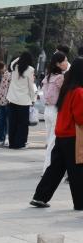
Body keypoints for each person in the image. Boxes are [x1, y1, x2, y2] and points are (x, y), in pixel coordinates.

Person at [30, 57, 83, 210]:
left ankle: (39, 197)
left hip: (61, 133)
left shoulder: (67, 89)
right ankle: (80, 203)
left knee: (55, 169)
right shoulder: (79, 92)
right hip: (73, 135)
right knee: (77, 170)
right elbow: (80, 117)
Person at [41, 51, 68, 173]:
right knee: (53, 141)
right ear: (58, 63)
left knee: (49, 140)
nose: (67, 63)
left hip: (47, 110)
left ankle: (48, 166)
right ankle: (47, 169)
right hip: (56, 111)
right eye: (65, 61)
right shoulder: (60, 77)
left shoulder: (48, 76)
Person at [6, 51, 36, 149]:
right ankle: (20, 143)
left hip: (12, 99)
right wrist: (33, 99)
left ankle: (12, 143)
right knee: (22, 124)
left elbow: (11, 64)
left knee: (12, 122)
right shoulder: (30, 69)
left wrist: (19, 57)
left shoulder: (14, 67)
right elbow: (31, 87)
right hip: (24, 101)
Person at [0, 62, 13, 146]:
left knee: (2, 120)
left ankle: (0, 139)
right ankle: (8, 138)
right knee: (9, 121)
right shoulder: (12, 75)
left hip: (1, 100)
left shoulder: (5, 74)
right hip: (8, 100)